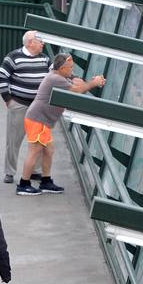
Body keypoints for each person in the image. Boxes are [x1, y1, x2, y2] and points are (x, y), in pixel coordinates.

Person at [17, 53, 105, 196]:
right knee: (34, 151)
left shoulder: (58, 74)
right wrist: (93, 83)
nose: (72, 70)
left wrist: (82, 80)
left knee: (49, 151)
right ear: (62, 68)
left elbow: (74, 80)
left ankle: (45, 181)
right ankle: (23, 184)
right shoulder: (56, 79)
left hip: (42, 120)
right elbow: (77, 90)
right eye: (70, 67)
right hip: (38, 120)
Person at [0, 31, 50, 184]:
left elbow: (57, 73)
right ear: (30, 43)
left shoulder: (45, 58)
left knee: (38, 140)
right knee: (13, 140)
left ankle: (35, 171)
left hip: (39, 107)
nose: (43, 44)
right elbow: (1, 77)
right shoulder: (13, 57)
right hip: (19, 105)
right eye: (40, 41)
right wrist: (8, 99)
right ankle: (9, 172)